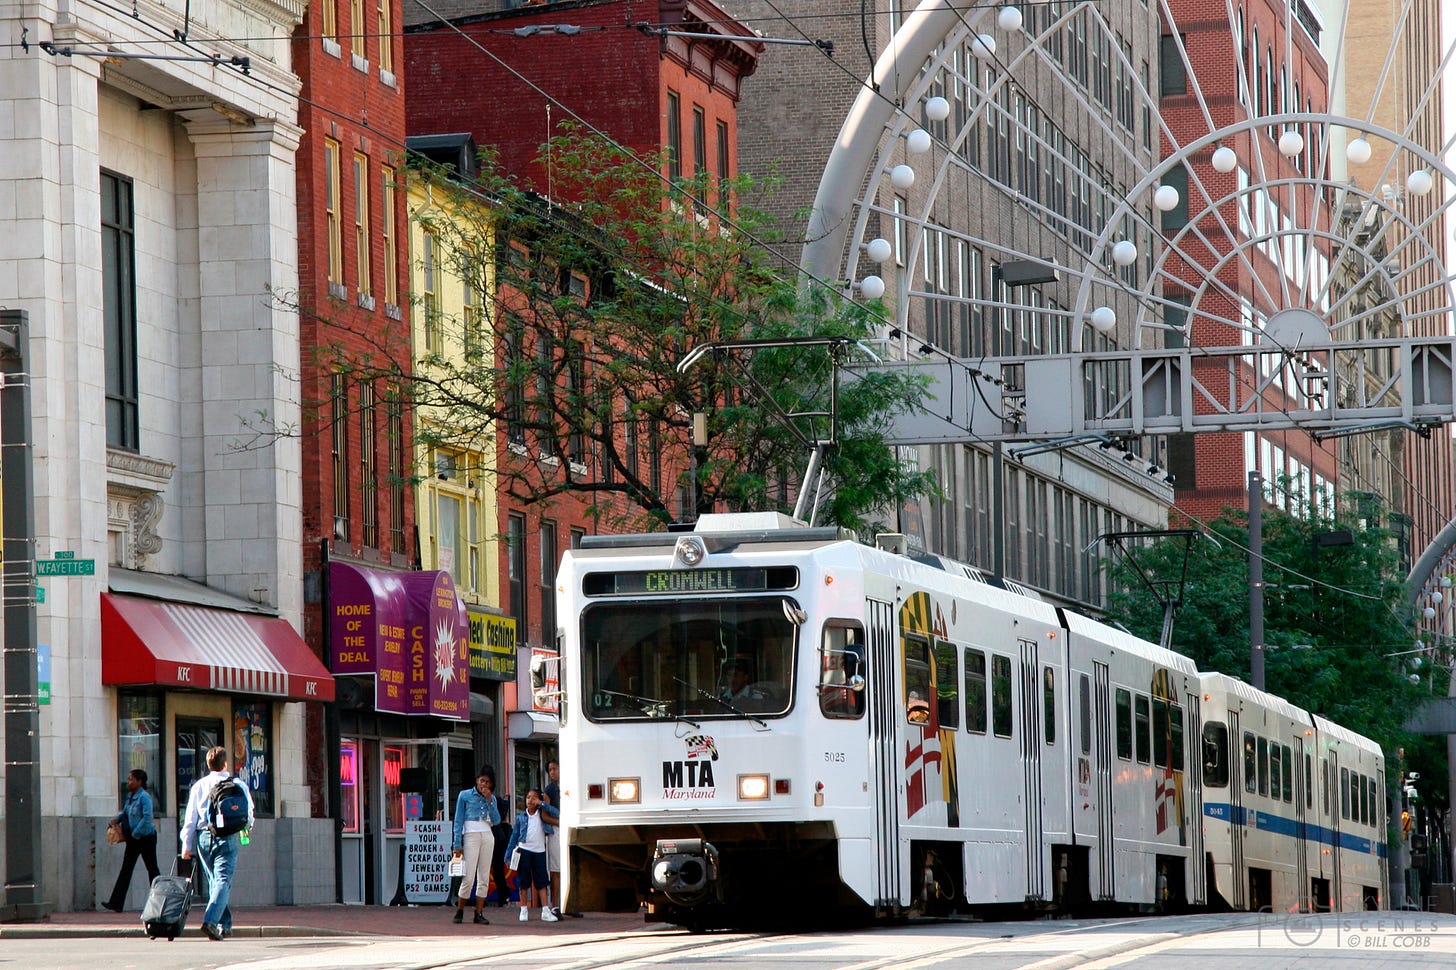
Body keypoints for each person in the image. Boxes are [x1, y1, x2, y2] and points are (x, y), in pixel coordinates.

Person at [180, 745, 254, 941]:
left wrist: (186, 846)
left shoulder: (199, 786)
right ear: (225, 764)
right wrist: (247, 828)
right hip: (228, 837)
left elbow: (190, 819)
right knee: (222, 880)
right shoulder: (238, 784)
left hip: (204, 837)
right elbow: (249, 812)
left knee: (215, 881)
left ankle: (225, 924)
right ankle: (211, 921)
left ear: (208, 764)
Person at [103, 768, 160, 912]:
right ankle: (116, 903)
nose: (128, 782)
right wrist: (118, 819)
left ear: (139, 782)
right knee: (126, 869)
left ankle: (159, 902)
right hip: (133, 839)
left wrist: (136, 833)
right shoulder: (130, 796)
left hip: (146, 838)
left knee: (152, 869)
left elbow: (147, 818)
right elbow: (126, 812)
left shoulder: (144, 797)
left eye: (131, 779)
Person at [450, 768, 501, 924]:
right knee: (469, 875)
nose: (483, 784)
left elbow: (497, 820)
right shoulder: (464, 795)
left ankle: (479, 912)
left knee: (484, 876)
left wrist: (490, 800)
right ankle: (460, 910)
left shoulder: (491, 798)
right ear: (477, 780)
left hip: (486, 833)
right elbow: (458, 820)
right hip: (471, 834)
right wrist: (457, 843)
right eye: (481, 780)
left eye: (487, 782)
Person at [504, 788, 557, 922]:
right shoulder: (521, 817)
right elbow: (514, 836)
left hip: (539, 851)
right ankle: (523, 909)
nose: (530, 800)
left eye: (534, 798)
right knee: (523, 881)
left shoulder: (542, 814)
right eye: (528, 797)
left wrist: (543, 804)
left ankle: (545, 910)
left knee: (542, 881)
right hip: (524, 850)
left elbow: (556, 812)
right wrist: (508, 855)